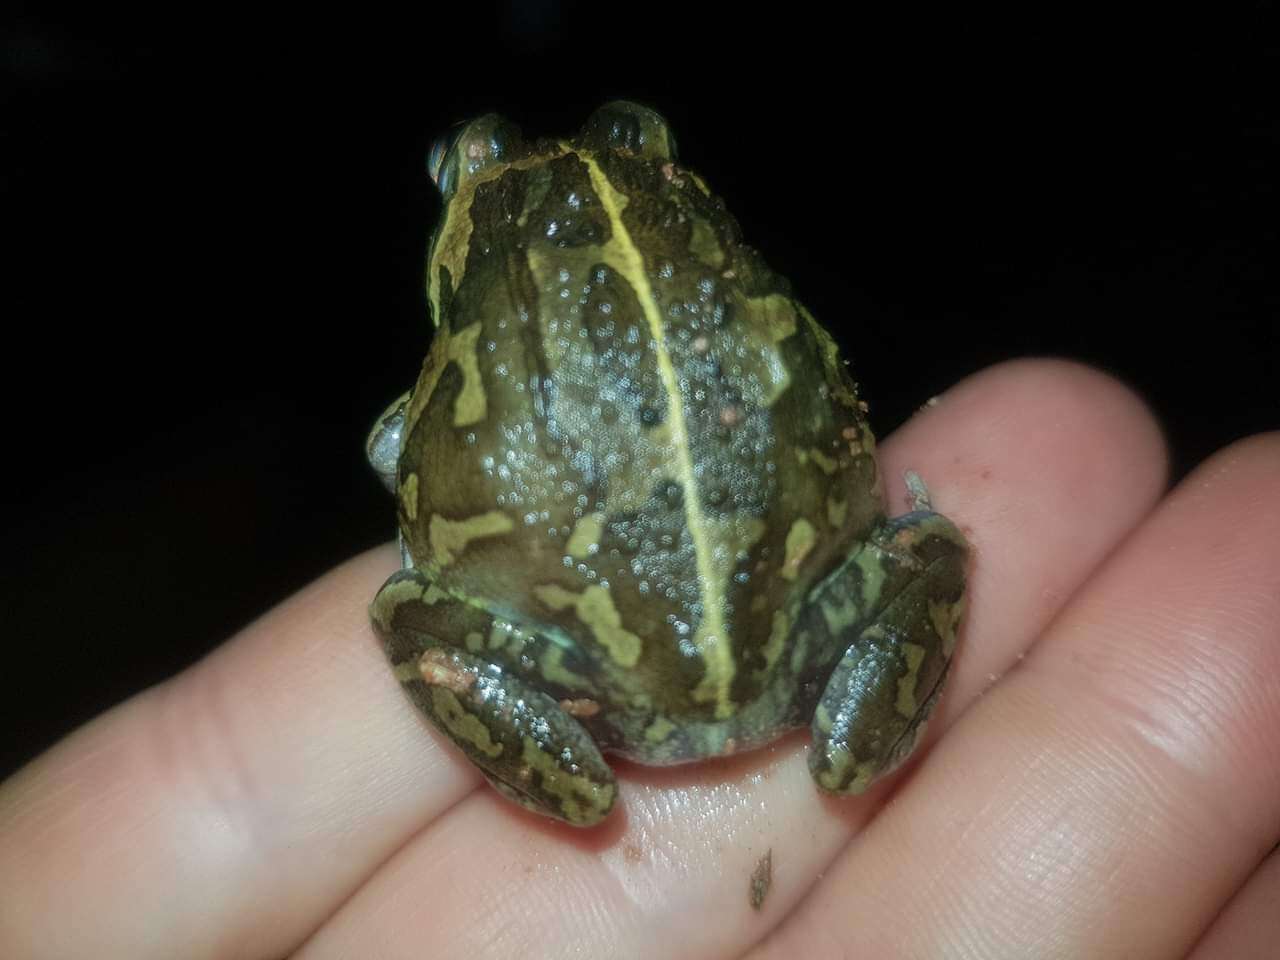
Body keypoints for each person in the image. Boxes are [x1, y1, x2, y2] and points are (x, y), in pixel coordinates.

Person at [2, 360, 1277, 958]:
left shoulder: (486, 329)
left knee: (402, 610)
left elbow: (411, 459)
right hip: (801, 674)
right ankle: (867, 677)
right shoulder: (705, 266)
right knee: (918, 547)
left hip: (602, 708)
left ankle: (570, 777)